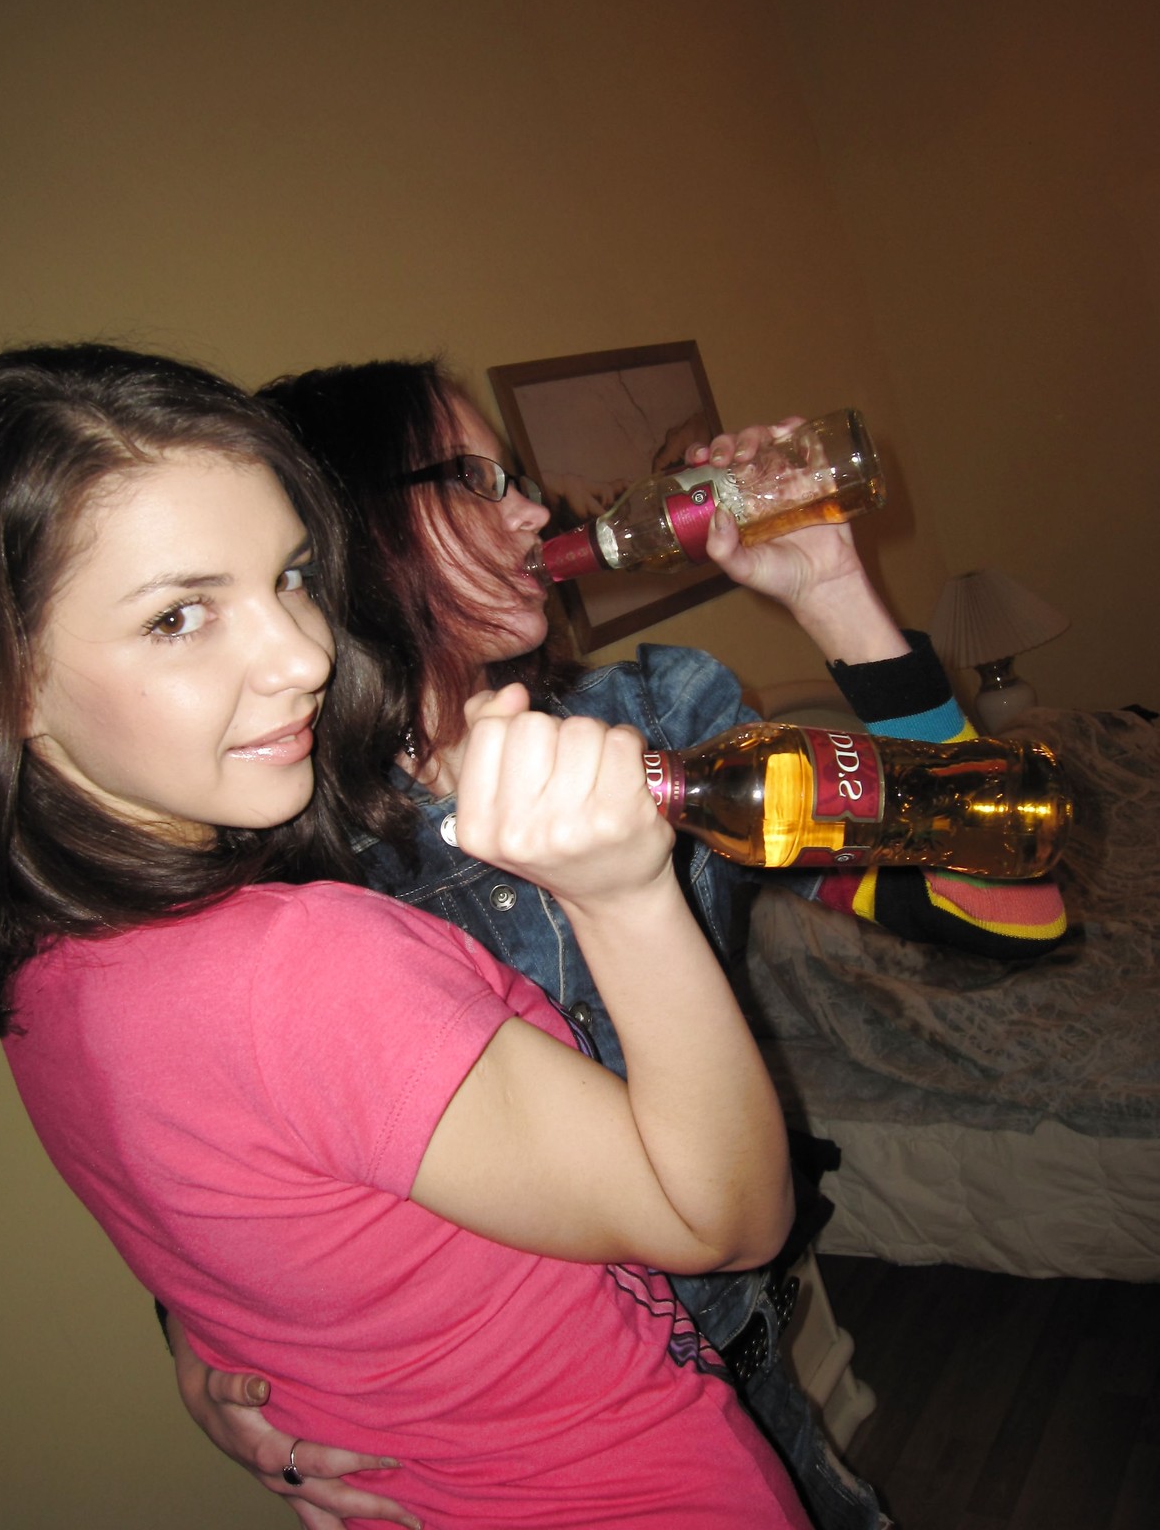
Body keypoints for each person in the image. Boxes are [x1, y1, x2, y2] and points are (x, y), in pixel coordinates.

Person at [167, 358, 1067, 1530]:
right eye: (478, 479)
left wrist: (836, 592)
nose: (533, 510)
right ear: (350, 527)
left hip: (743, 1370)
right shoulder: (283, 858)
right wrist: (192, 1337)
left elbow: (1005, 912)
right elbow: (219, 1150)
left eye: (519, 479)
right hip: (528, 1452)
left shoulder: (656, 726)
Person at [0, 342, 815, 1530]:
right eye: (179, 616)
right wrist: (623, 898)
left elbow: (288, 1206)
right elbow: (728, 1218)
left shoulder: (56, 963)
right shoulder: (296, 941)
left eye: (291, 577)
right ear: (1, 679)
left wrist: (834, 593)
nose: (301, 654)